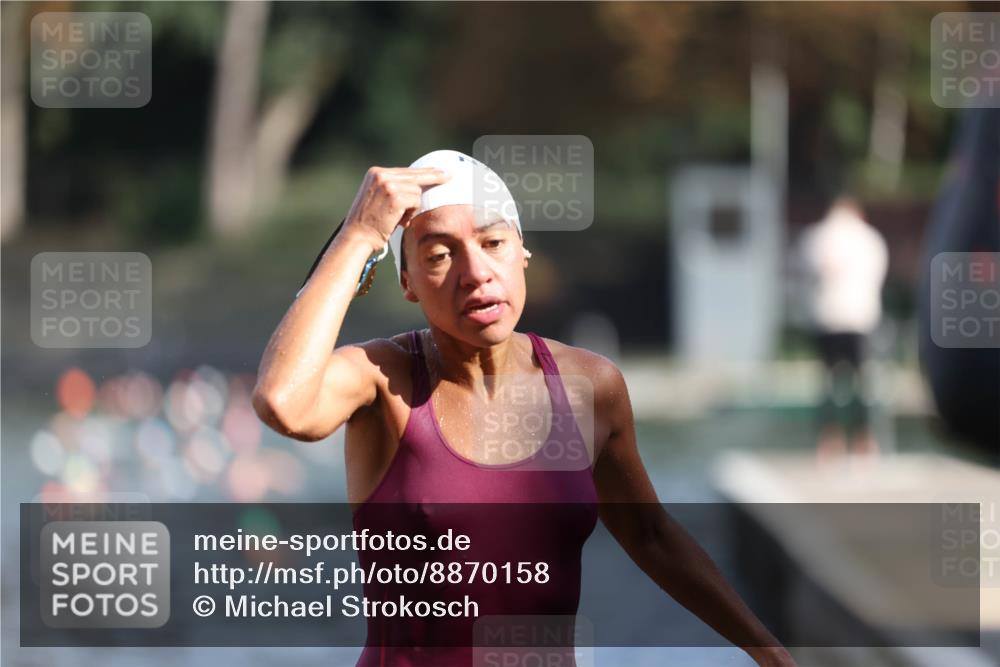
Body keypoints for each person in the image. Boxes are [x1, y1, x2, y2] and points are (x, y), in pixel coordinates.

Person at [252, 150, 797, 667]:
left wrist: (769, 652)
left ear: (523, 253)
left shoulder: (591, 385)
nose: (476, 272)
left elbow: (650, 534)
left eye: (493, 243)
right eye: (440, 255)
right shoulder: (382, 380)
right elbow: (282, 402)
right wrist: (361, 234)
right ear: (407, 282)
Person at [797, 195, 889, 464]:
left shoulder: (815, 237)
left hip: (827, 318)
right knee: (864, 383)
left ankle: (830, 443)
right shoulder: (871, 239)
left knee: (828, 383)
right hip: (861, 318)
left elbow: (808, 273)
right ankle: (865, 442)